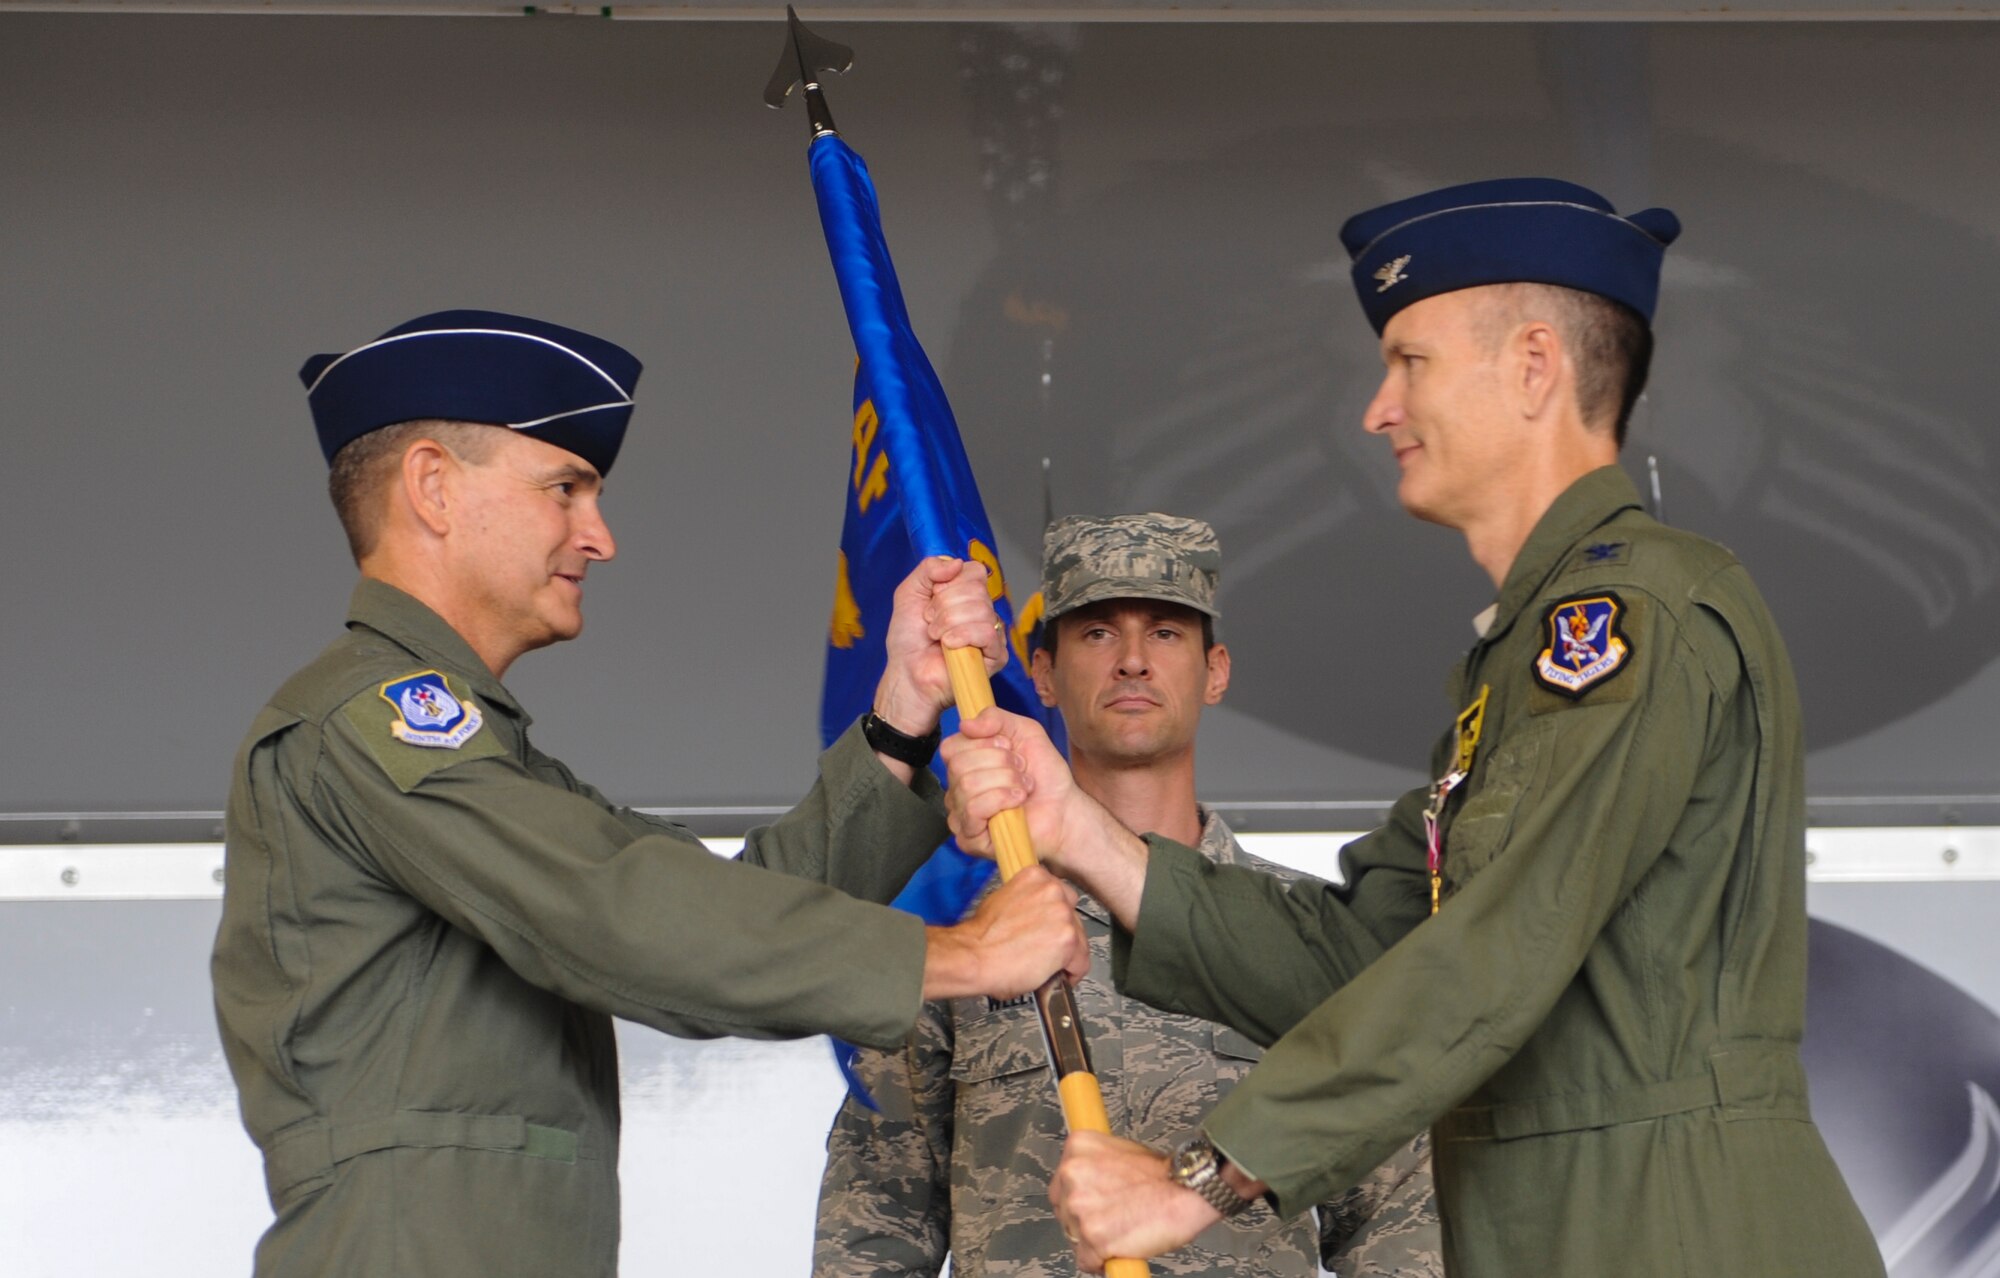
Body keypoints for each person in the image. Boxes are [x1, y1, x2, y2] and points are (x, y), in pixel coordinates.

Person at [941, 181, 1885, 1276]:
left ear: (1534, 366)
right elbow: (1364, 961)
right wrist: (1078, 833)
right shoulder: (1518, 665)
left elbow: (1497, 954)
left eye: (1409, 362)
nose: (1376, 410)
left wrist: (1202, 1175)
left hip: (1671, 1230)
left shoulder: (1629, 619)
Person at [210, 309, 1091, 1278]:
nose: (599, 537)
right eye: (564, 489)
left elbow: (709, 904)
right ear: (431, 488)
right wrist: (963, 955)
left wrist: (899, 716)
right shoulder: (373, 723)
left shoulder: (477, 756)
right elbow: (625, 914)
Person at [814, 513, 1442, 1278]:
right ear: (1043, 673)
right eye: (1099, 633)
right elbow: (874, 1227)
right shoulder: (960, 942)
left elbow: (1396, 1225)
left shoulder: (1313, 938)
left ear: (1217, 672)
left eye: (1168, 633)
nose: (1134, 661)